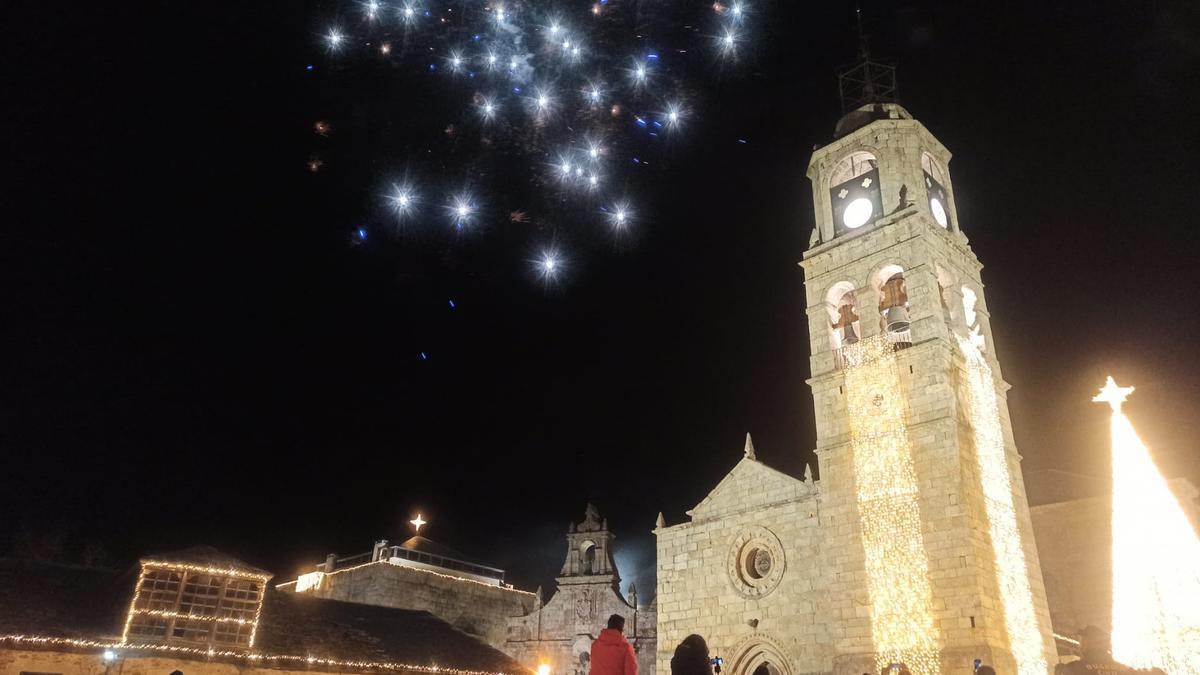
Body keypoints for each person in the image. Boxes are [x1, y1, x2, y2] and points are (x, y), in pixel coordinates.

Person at [1057, 625, 1165, 675]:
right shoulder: (1127, 670)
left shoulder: (1073, 670)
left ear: (1087, 643)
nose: (1080, 644)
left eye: (1083, 640)